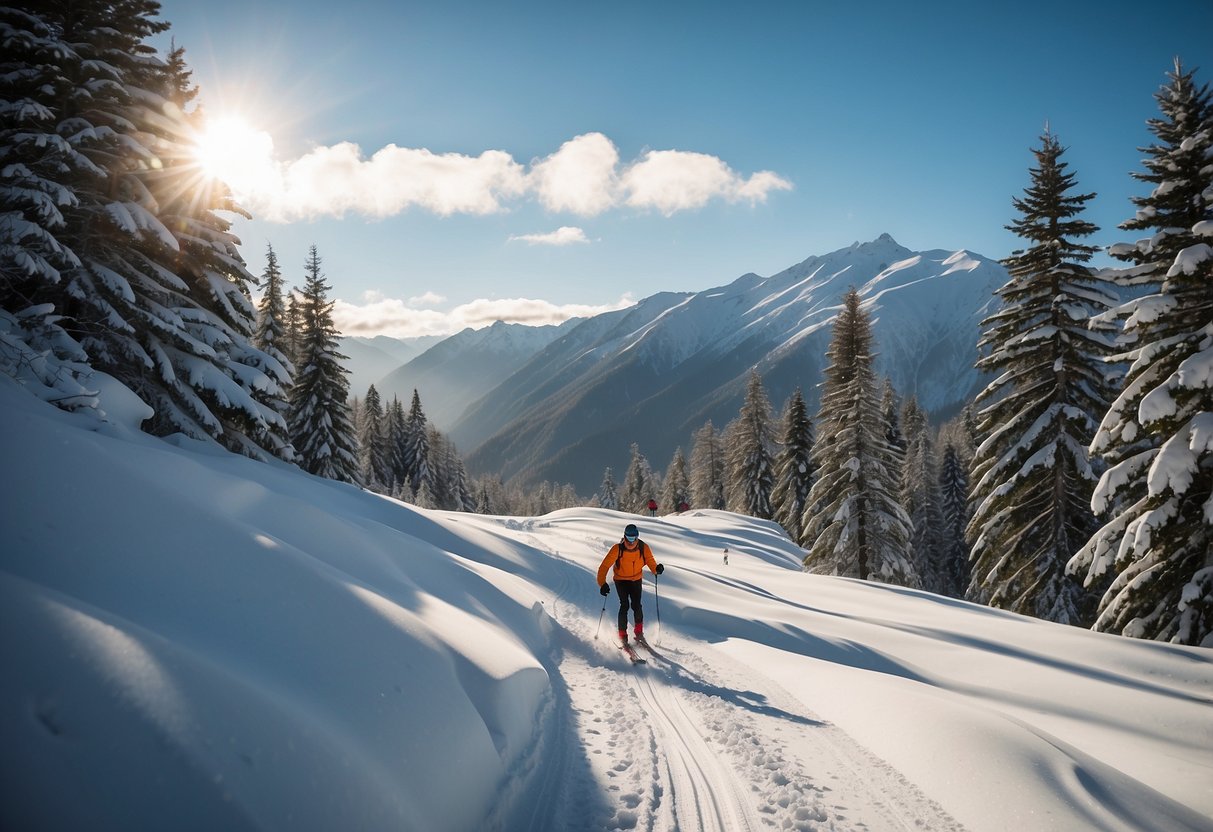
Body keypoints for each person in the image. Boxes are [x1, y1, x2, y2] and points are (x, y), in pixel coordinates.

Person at [597, 523, 664, 644]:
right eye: (628, 538)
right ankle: (622, 634)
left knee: (637, 605)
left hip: (636, 580)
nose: (631, 541)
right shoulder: (617, 549)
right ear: (624, 536)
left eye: (633, 538)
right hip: (621, 580)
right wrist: (602, 583)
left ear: (637, 537)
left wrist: (656, 569)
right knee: (625, 605)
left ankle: (639, 632)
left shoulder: (644, 547)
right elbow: (604, 566)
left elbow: (650, 561)